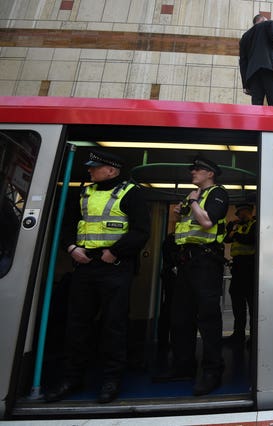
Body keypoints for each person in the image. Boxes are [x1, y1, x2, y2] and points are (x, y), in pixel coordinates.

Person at [45, 150, 149, 404]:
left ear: (111, 170)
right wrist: (71, 248)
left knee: (114, 325)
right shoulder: (83, 193)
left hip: (115, 267)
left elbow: (141, 230)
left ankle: (111, 380)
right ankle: (72, 377)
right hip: (84, 265)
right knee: (77, 324)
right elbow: (68, 224)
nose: (90, 170)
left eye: (95, 167)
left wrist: (114, 252)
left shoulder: (131, 193)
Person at [162, 156, 229, 396]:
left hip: (206, 262)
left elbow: (207, 223)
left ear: (210, 174)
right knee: (180, 317)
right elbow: (179, 229)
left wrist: (193, 203)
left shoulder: (218, 194)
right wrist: (181, 210)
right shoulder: (191, 197)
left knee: (208, 318)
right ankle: (183, 366)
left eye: (197, 169)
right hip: (186, 261)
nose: (193, 172)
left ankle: (212, 371)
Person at [223, 203, 256, 345]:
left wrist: (235, 233)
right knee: (237, 304)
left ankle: (254, 338)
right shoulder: (238, 226)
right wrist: (231, 229)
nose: (238, 216)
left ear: (246, 212)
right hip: (238, 267)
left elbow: (250, 239)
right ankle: (238, 335)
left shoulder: (255, 225)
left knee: (252, 305)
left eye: (239, 213)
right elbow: (227, 239)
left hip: (249, 267)